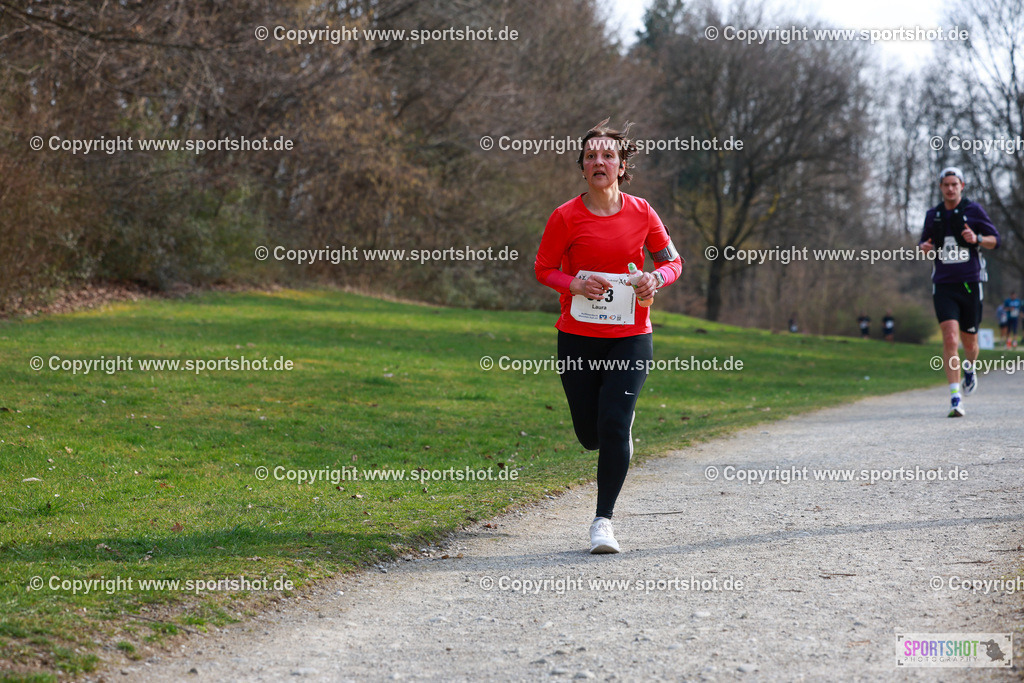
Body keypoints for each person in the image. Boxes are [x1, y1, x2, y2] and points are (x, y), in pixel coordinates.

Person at [534, 119, 683, 553]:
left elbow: (673, 262)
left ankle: (603, 522)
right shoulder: (565, 216)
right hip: (577, 337)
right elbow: (544, 269)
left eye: (608, 155)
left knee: (615, 424)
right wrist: (574, 285)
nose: (599, 161)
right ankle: (612, 431)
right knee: (590, 434)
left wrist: (656, 279)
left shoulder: (643, 212)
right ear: (582, 166)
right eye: (591, 156)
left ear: (621, 166)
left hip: (631, 336)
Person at [919, 167, 1000, 417]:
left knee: (970, 343)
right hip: (944, 284)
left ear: (962, 185)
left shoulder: (973, 211)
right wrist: (924, 247)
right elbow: (926, 245)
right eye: (946, 184)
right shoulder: (933, 215)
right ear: (941, 187)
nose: (950, 188)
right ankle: (955, 398)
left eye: (955, 184)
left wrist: (976, 238)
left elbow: (994, 240)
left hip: (970, 283)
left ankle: (970, 367)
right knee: (951, 339)